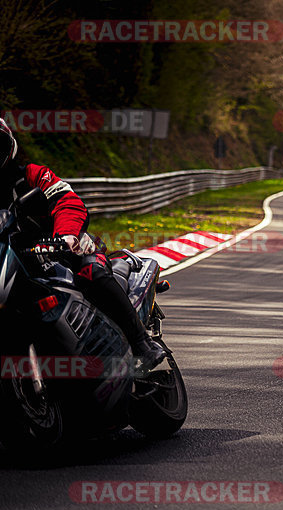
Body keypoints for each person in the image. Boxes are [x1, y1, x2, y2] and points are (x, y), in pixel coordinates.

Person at [0, 118, 164, 368]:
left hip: (64, 249)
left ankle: (141, 342)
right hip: (16, 264)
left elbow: (68, 201)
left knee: (92, 272)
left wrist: (66, 235)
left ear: (8, 147)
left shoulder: (32, 175)